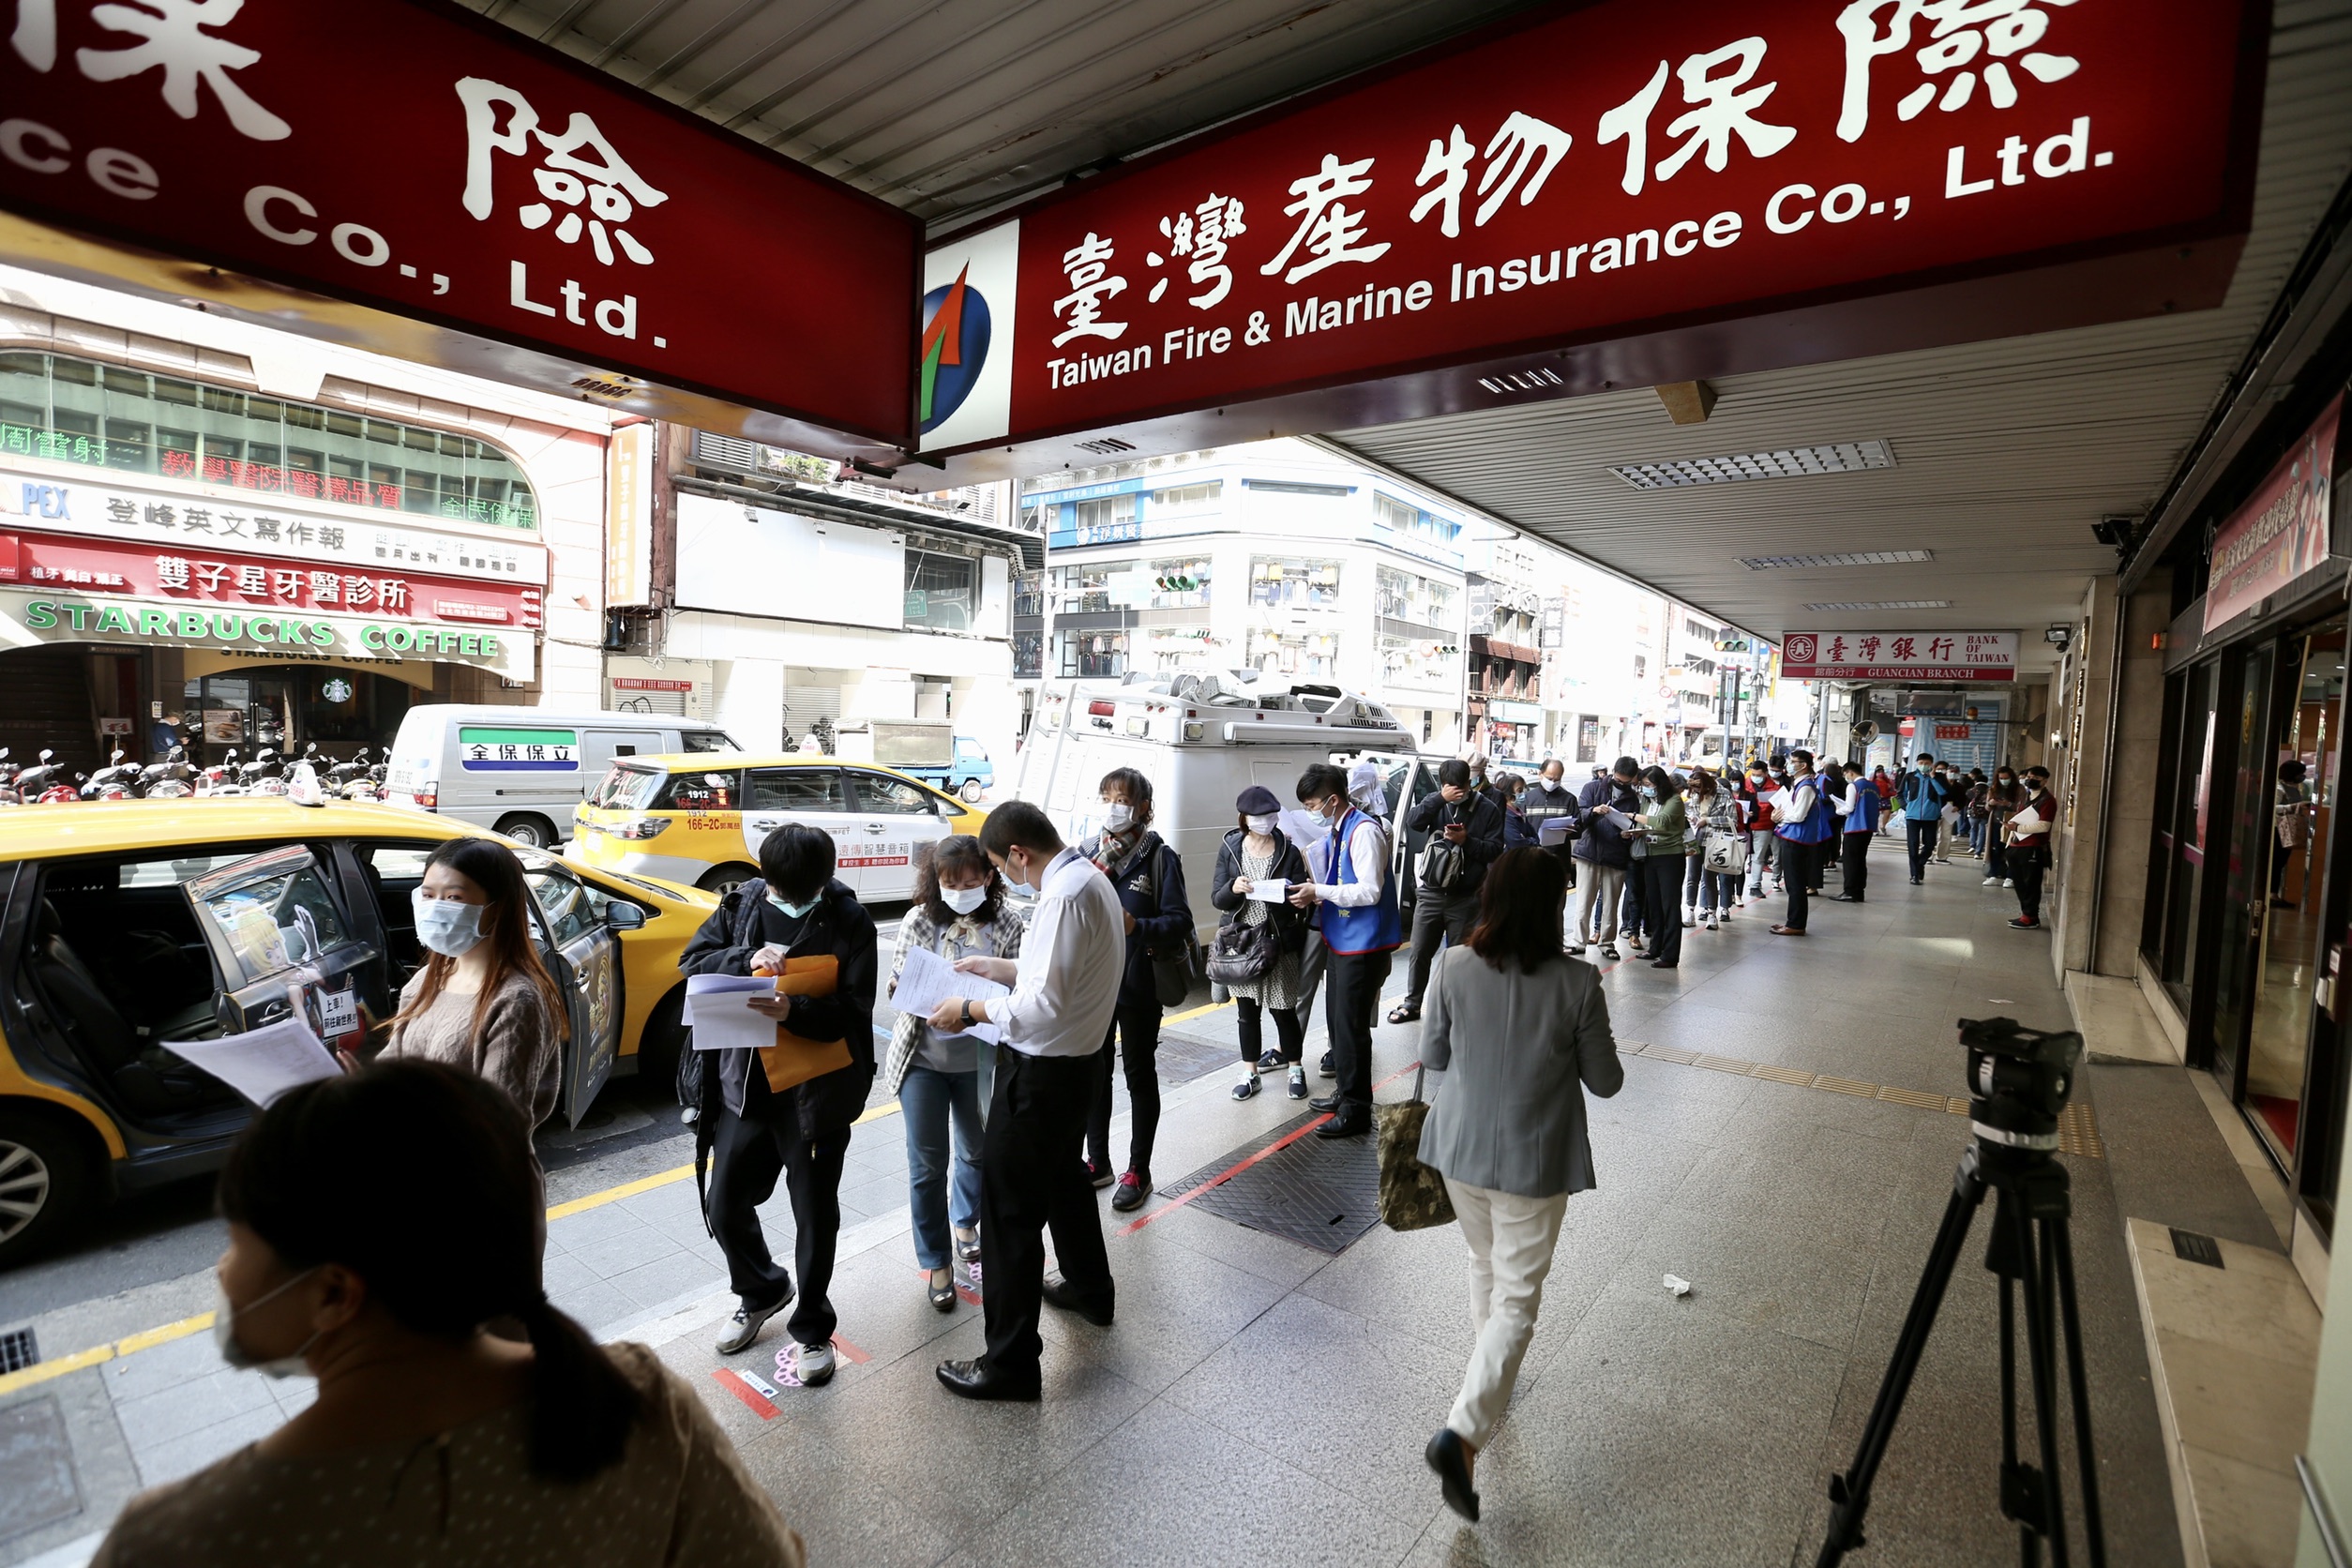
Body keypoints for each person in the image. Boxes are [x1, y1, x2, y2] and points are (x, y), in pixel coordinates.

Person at [89, 1061, 805, 1568]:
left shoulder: (177, 1541)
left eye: (235, 1242)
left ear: (336, 1293)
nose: (220, 1272)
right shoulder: (639, 1400)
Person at [1416, 849, 1623, 1525]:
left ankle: (1490, 1380)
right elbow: (1606, 1080)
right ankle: (1465, 1428)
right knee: (1519, 1301)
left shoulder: (1450, 965)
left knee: (1484, 1263)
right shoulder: (1578, 982)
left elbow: (1436, 1056)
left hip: (1456, 1148)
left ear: (1488, 897)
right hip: (1533, 1164)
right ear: (1555, 906)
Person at [929, 803, 1124, 1402]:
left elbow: (1041, 1007)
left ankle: (1010, 1362)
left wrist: (971, 1009)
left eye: (996, 865)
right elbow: (1056, 976)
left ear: (1018, 852)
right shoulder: (1088, 880)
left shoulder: (1063, 895)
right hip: (1077, 1070)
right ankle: (1091, 1291)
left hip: (1040, 1077)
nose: (1000, 877)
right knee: (1064, 1182)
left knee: (1009, 1215)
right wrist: (1001, 967)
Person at [680, 824, 877, 1376]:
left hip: (815, 1097)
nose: (790, 901)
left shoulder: (847, 919)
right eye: (781, 890)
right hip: (745, 1090)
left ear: (825, 877)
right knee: (723, 1203)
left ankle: (813, 1329)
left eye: (803, 890)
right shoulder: (740, 905)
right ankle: (761, 1287)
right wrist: (743, 961)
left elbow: (856, 1008)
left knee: (814, 1216)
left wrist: (797, 1011)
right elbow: (692, 965)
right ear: (764, 876)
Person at [882, 837, 1022, 1313]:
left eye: (969, 881)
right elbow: (896, 978)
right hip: (922, 1058)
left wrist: (979, 997)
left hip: (980, 1061)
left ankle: (965, 1223)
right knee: (926, 1167)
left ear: (988, 876)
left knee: (976, 1152)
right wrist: (905, 986)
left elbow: (1019, 989)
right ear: (934, 882)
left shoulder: (1007, 922)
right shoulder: (919, 919)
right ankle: (936, 1261)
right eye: (948, 883)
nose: (959, 891)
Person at [381, 837, 566, 1131]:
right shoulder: (424, 981)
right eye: (428, 895)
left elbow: (498, 1123)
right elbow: (393, 1066)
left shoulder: (516, 1000)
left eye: (454, 897)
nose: (435, 909)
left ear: (498, 907)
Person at [1079, 769, 1194, 1213]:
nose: (1114, 806)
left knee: (1138, 1075)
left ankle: (1138, 1171)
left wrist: (1137, 926)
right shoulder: (1088, 853)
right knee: (1094, 1074)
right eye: (1107, 796)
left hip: (1138, 985)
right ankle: (1099, 1161)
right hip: (1093, 987)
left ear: (1144, 806)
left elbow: (1180, 921)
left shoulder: (1159, 857)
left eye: (1123, 798)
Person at [1293, 761, 1403, 1138]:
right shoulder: (1340, 828)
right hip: (1342, 939)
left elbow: (1370, 890)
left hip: (1364, 945)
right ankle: (1345, 1092)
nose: (1312, 812)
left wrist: (1318, 892)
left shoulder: (1365, 832)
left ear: (1333, 800)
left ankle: (1356, 1109)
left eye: (1312, 805)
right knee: (1339, 1024)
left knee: (1353, 1028)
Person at [1210, 785, 1312, 1103]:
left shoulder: (1288, 850)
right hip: (1242, 943)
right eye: (1258, 817)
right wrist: (1234, 886)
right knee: (1247, 1012)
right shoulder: (1230, 847)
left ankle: (1295, 1068)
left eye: (1270, 816)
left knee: (1284, 1010)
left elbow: (1300, 900)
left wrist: (1285, 893)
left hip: (1277, 940)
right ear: (1245, 819)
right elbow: (1217, 899)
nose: (1265, 822)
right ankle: (1250, 1072)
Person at [1391, 759, 1505, 1025]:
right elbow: (1413, 823)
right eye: (1450, 788)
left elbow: (1494, 850)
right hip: (1431, 893)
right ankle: (1412, 1002)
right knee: (1420, 951)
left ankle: (1453, 1008)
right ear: (1443, 785)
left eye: (1461, 788)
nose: (1457, 793)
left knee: (1458, 957)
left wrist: (1467, 841)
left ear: (1470, 783)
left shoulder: (1487, 808)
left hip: (1465, 897)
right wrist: (1439, 799)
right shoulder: (1436, 802)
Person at [1569, 758, 1638, 959]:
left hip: (1616, 854)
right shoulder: (1593, 788)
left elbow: (1633, 824)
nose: (1622, 785)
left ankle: (1607, 943)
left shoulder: (1633, 798)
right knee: (1584, 901)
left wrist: (1629, 835)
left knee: (1611, 904)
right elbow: (1579, 816)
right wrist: (1594, 811)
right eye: (1619, 780)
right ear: (1613, 772)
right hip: (1590, 851)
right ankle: (1578, 942)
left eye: (1627, 783)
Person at [1770, 750, 1835, 936]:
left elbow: (1799, 815)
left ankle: (1796, 925)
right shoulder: (1798, 784)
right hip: (1793, 836)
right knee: (1792, 883)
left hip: (1797, 839)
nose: (1790, 765)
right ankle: (1792, 921)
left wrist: (1778, 819)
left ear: (1804, 765)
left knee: (1795, 883)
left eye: (1793, 762)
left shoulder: (1806, 786)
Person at [1631, 765, 1688, 969]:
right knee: (1653, 904)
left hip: (1670, 857)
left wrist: (1633, 817)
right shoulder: (1647, 800)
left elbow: (1661, 822)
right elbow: (1647, 825)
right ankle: (1655, 947)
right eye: (1644, 785)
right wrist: (1635, 831)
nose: (1646, 788)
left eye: (1649, 784)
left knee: (1670, 906)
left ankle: (1670, 955)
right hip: (1650, 855)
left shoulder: (1674, 801)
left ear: (1660, 784)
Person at [2004, 767, 2058, 929]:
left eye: (2035, 777)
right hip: (2016, 844)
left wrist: (2018, 829)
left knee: (2030, 884)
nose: (2030, 779)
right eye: (2029, 776)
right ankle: (2025, 914)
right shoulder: (2026, 797)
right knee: (2020, 882)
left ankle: (2031, 917)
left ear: (2044, 780)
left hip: (2032, 847)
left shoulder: (2048, 800)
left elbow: (2043, 825)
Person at [1688, 769, 1740, 930]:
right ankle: (1690, 911)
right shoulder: (1694, 794)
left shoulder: (1724, 794)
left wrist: (1708, 820)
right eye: (1695, 791)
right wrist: (1694, 818)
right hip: (1696, 840)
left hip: (1715, 841)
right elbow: (1693, 811)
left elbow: (1733, 820)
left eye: (1700, 790)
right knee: (1692, 877)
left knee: (1710, 878)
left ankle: (1712, 914)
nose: (1697, 793)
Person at [1521, 758, 1582, 891]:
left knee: (1556, 906)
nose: (1552, 783)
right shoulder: (1528, 798)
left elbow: (1579, 828)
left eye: (1557, 779)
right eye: (1549, 778)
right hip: (1532, 860)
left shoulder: (1569, 799)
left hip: (1559, 861)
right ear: (1540, 774)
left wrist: (1572, 830)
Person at [1832, 758, 1879, 901]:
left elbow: (1849, 808)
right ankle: (1859, 891)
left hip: (1854, 827)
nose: (1846, 777)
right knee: (1860, 860)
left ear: (1850, 773)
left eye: (1846, 774)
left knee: (1850, 861)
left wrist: (1838, 810)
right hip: (1868, 827)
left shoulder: (1853, 786)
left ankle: (1849, 891)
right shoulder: (1873, 786)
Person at [1899, 751, 1951, 884]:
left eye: (1927, 763)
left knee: (1930, 844)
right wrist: (1907, 807)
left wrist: (1933, 777)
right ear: (1917, 763)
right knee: (1913, 844)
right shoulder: (1910, 777)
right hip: (1912, 816)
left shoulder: (1939, 777)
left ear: (1932, 764)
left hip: (1931, 816)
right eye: (1921, 763)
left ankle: (1920, 863)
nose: (1923, 765)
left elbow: (1943, 792)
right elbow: (1900, 794)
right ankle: (1914, 875)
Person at [2274, 760, 2313, 905]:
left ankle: (2274, 893)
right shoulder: (2279, 788)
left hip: (2289, 829)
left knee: (2281, 862)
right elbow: (2274, 807)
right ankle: (2272, 894)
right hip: (2279, 829)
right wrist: (2292, 806)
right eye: (2300, 774)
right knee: (2276, 862)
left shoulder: (2294, 788)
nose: (2302, 777)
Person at [1983, 766, 2025, 888]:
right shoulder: (1993, 789)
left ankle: (2010, 876)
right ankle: (1994, 875)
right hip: (1997, 822)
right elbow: (1987, 807)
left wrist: (2008, 804)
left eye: (2006, 778)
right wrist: (1990, 803)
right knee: (1996, 849)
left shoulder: (2019, 789)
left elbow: (2022, 806)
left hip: (2012, 822)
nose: (2003, 780)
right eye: (2001, 778)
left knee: (2011, 850)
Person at [1872, 765, 1897, 837]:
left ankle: (1883, 826)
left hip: (1886, 799)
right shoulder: (1873, 782)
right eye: (1879, 772)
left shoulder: (1887, 781)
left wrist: (1892, 793)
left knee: (1887, 813)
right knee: (1876, 814)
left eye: (1882, 772)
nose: (1881, 773)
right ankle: (1875, 828)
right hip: (1876, 799)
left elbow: (1892, 790)